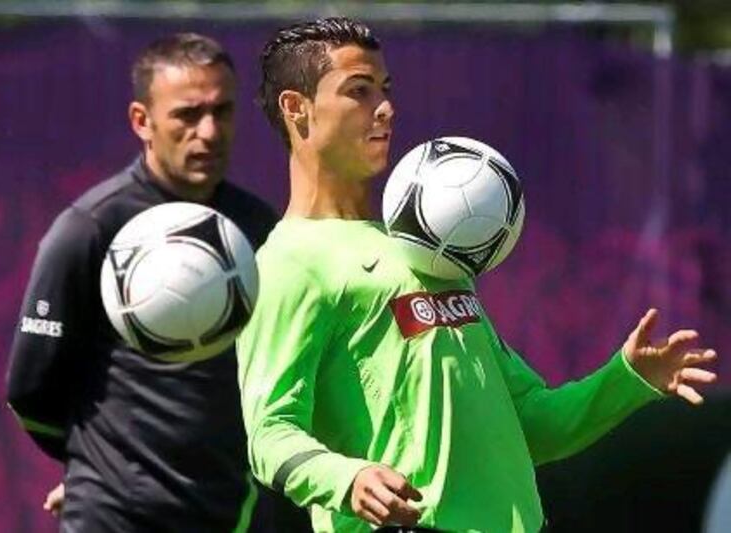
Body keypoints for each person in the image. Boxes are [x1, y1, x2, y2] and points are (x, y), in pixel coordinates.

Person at [236, 17, 719, 533]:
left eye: (385, 89)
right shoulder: (288, 262)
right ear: (296, 108)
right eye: (358, 90)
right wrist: (346, 479)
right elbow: (269, 434)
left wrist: (625, 380)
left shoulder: (430, 249)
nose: (385, 107)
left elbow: (532, 425)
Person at [6, 33, 295, 532]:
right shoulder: (90, 227)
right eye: (187, 114)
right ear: (143, 120)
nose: (208, 131)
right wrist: (93, 464)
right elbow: (32, 390)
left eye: (222, 111)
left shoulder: (258, 227)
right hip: (114, 515)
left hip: (231, 512)